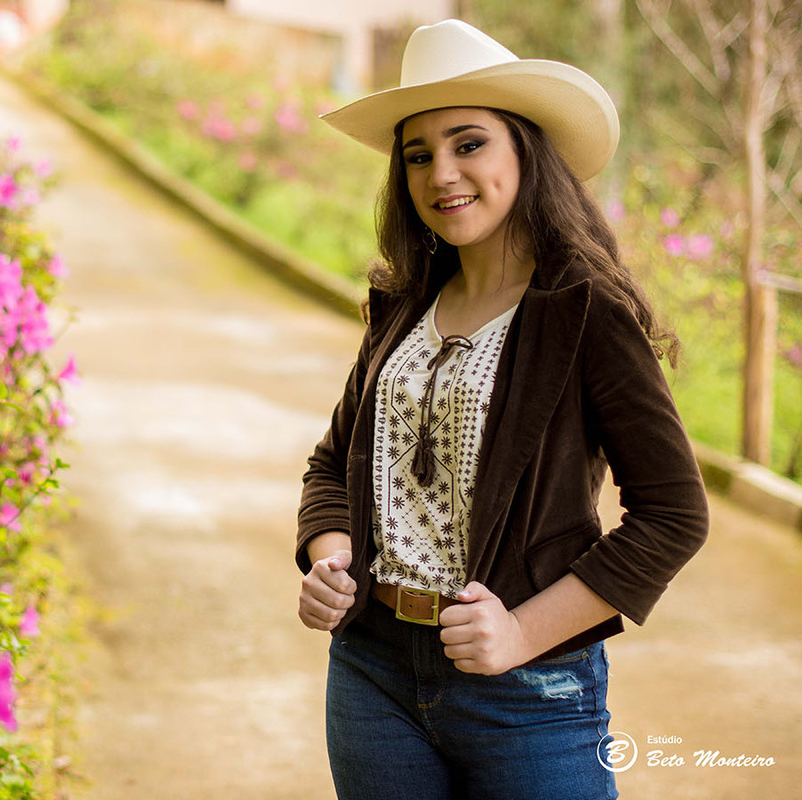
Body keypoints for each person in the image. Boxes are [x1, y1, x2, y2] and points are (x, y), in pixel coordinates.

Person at [295, 19, 709, 800]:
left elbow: (673, 513)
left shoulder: (583, 309)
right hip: (370, 674)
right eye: (417, 155)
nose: (440, 172)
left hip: (528, 698)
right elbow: (331, 465)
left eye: (469, 143)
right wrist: (330, 555)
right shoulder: (401, 303)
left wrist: (522, 632)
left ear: (525, 149)